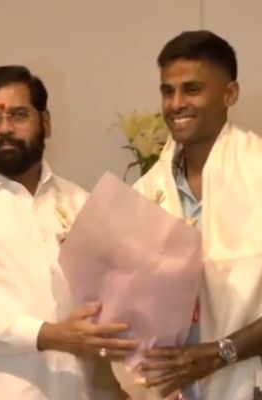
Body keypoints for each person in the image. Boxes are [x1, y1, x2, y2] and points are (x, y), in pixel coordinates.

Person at [0, 65, 136, 400]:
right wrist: (50, 335)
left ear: (45, 122)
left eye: (18, 115)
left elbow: (109, 299)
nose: (5, 128)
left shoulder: (79, 202)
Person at [136, 30, 262, 400]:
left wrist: (223, 352)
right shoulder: (146, 192)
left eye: (191, 89)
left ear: (229, 94)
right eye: (167, 91)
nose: (175, 104)